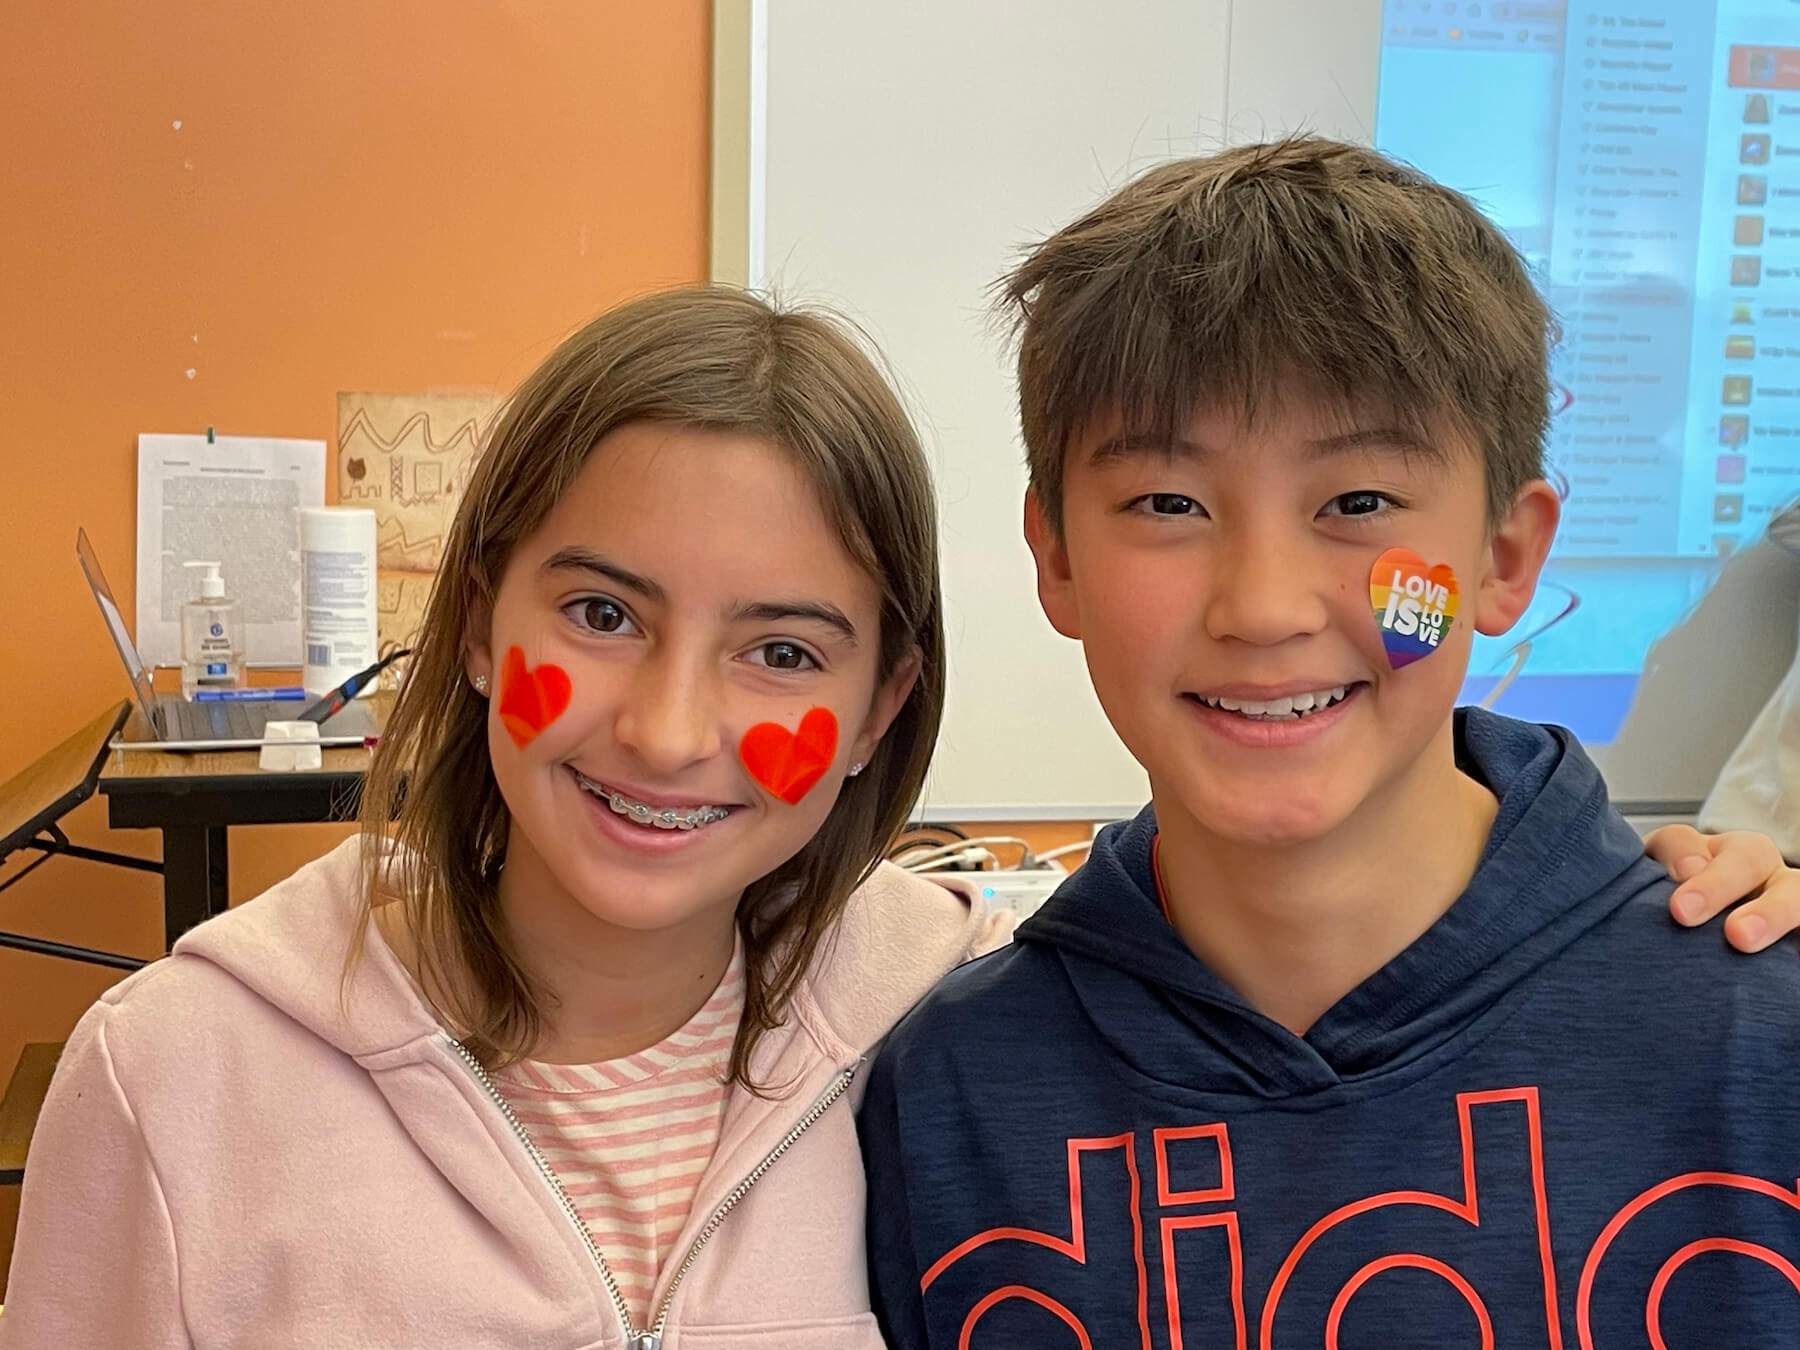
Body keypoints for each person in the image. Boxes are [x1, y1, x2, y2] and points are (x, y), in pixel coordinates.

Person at [0, 288, 1791, 1350]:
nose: (674, 725)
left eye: (782, 648)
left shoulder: (939, 1018)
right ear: (479, 620)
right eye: (601, 614)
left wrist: (1629, 892)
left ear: (878, 713)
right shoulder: (182, 1078)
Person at [858, 138, 1800, 1348]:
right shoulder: (952, 1093)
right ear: (1057, 561)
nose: (1263, 605)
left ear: (1502, 558)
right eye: (1167, 506)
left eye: (1357, 505)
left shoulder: (1758, 1037)